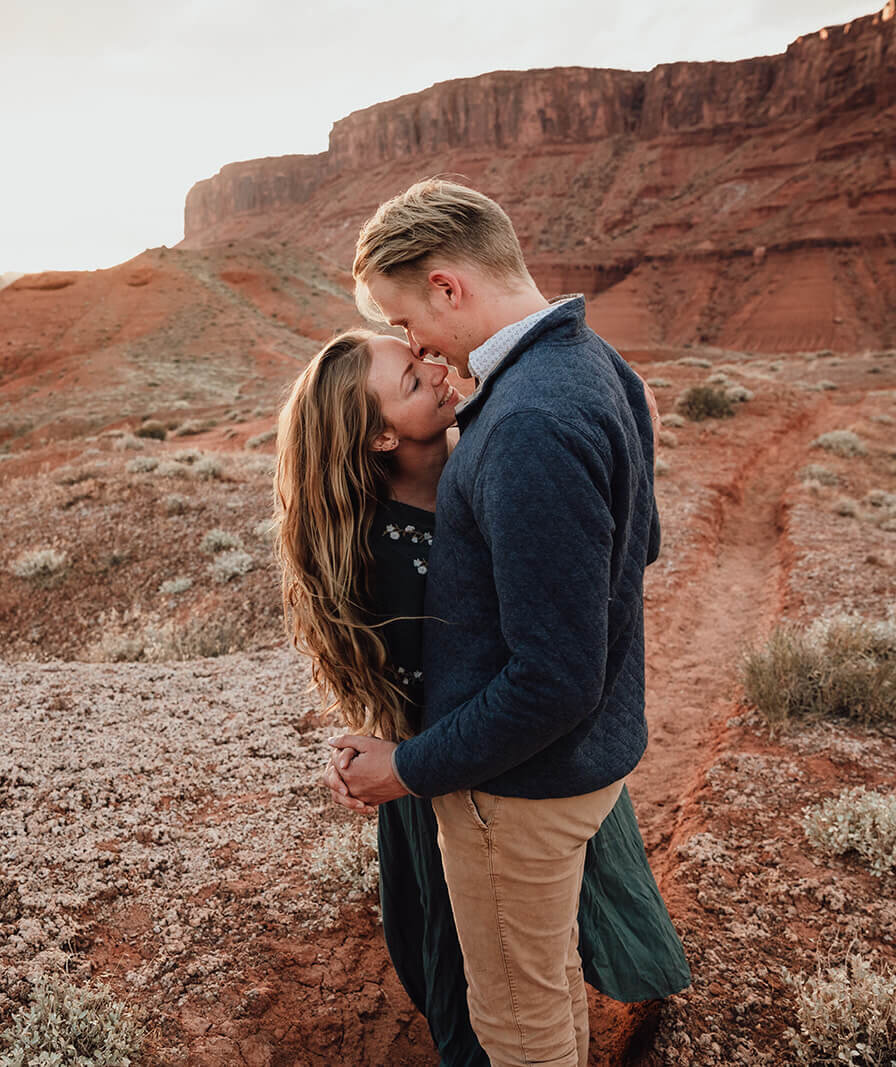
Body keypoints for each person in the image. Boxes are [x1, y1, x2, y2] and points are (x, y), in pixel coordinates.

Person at [322, 178, 671, 1066]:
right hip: (587, 756)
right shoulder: (596, 363)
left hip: (519, 788)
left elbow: (554, 676)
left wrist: (407, 765)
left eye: (408, 321)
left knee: (519, 1025)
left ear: (447, 287)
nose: (416, 343)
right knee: (546, 982)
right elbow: (641, 545)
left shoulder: (523, 422)